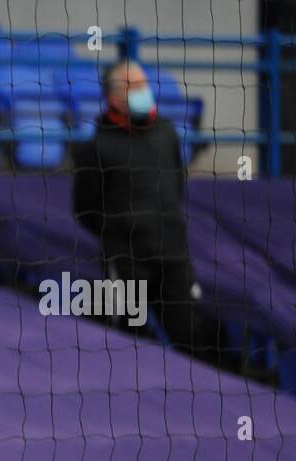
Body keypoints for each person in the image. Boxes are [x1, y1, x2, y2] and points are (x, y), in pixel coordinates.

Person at [72, 59, 230, 369]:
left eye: (144, 84)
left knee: (190, 333)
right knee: (128, 340)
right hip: (126, 257)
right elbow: (84, 206)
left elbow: (177, 183)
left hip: (172, 252)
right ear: (114, 95)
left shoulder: (166, 132)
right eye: (134, 86)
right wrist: (118, 233)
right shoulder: (98, 145)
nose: (143, 92)